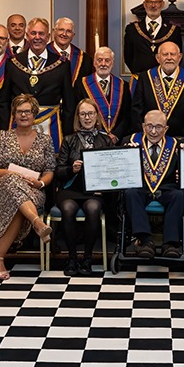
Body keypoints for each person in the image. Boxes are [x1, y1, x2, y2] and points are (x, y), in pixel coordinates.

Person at [0, 94, 56, 280]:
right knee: (13, 183)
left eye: (28, 111)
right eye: (20, 112)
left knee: (19, 202)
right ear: (13, 115)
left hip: (33, 191)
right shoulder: (2, 137)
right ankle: (37, 223)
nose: (24, 115)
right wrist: (11, 174)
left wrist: (41, 183)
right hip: (1, 188)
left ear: (34, 115)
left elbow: (49, 170)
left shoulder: (45, 140)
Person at [54, 99, 117, 276]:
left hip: (94, 191)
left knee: (93, 207)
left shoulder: (106, 140)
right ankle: (72, 258)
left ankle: (88, 258)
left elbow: (114, 170)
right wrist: (70, 169)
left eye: (90, 113)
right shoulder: (68, 140)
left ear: (97, 116)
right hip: (70, 188)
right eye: (83, 114)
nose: (87, 118)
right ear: (78, 117)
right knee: (67, 209)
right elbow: (58, 171)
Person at [121, 110, 184, 259]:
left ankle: (170, 243)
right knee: (130, 193)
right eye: (149, 126)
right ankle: (145, 241)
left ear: (166, 129)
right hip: (141, 188)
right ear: (143, 126)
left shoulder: (177, 145)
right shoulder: (130, 141)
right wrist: (126, 154)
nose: (154, 131)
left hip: (166, 189)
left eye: (158, 127)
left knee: (179, 195)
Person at [0, 17, 77, 142]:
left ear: (48, 36)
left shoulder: (62, 64)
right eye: (33, 33)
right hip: (18, 126)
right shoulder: (13, 62)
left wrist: (67, 136)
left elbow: (69, 104)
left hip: (51, 128)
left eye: (41, 34)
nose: (37, 37)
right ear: (27, 35)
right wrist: (4, 131)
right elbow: (4, 100)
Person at [133, 41, 184, 138]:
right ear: (157, 58)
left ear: (179, 57)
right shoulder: (145, 78)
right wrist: (143, 138)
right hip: (151, 139)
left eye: (172, 54)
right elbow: (136, 112)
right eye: (165, 54)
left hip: (181, 140)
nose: (169, 58)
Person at [75, 46, 134, 139]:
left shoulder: (123, 85)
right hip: (90, 138)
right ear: (94, 62)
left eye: (107, 60)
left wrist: (116, 135)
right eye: (99, 60)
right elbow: (77, 114)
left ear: (112, 63)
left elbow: (127, 116)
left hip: (116, 141)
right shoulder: (81, 84)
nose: (103, 64)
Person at [124, 0, 182, 73]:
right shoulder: (132, 29)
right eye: (150, 2)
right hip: (140, 79)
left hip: (164, 80)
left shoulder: (173, 30)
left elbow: (178, 57)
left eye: (157, 2)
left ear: (162, 4)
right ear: (144, 4)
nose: (153, 5)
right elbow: (128, 57)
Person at [52, 17, 94, 85]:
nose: (64, 34)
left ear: (73, 35)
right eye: (61, 30)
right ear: (54, 31)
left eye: (68, 31)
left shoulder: (85, 59)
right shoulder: (44, 53)